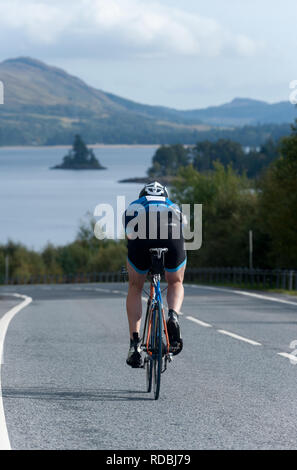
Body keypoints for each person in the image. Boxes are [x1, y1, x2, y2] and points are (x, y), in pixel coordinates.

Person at [123, 181, 187, 368]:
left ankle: (135, 345)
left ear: (142, 195)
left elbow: (128, 237)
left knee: (135, 287)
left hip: (141, 238)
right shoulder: (173, 206)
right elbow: (184, 230)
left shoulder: (135, 206)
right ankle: (173, 315)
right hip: (172, 234)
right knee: (175, 281)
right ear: (164, 196)